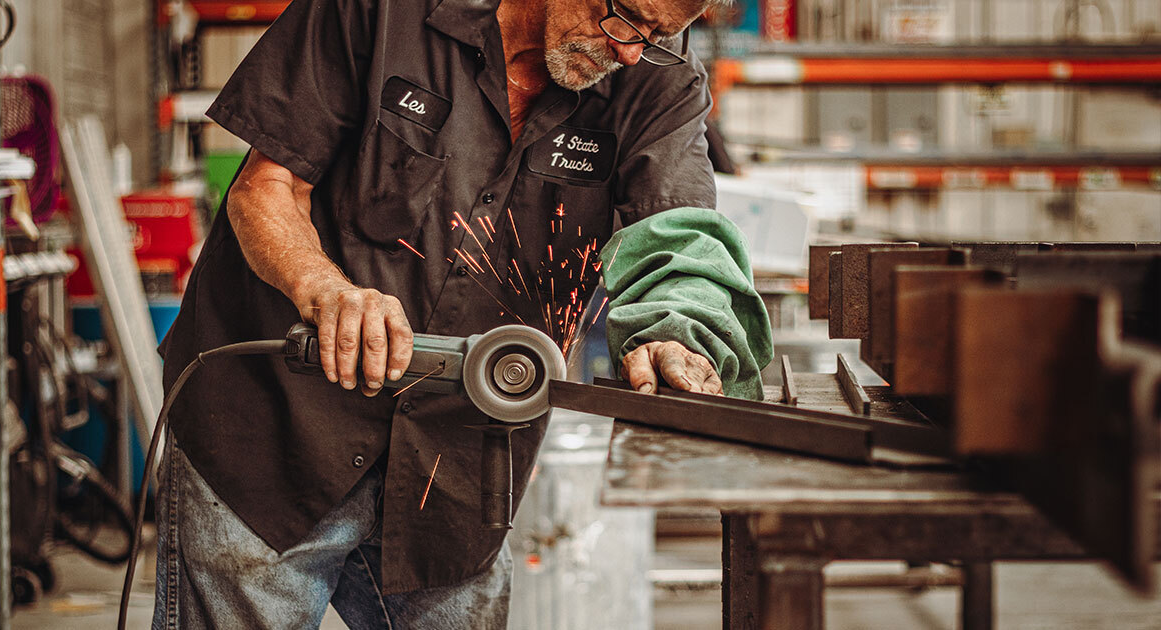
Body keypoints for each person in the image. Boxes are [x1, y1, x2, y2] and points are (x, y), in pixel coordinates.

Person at [153, 0, 769, 627]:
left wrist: (674, 330)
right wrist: (326, 290)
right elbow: (266, 188)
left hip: (457, 459)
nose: (633, 51)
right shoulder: (382, 11)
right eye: (627, 17)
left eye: (660, 34)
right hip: (275, 429)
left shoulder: (658, 76)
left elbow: (677, 234)